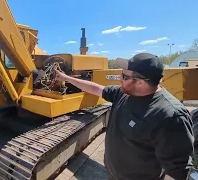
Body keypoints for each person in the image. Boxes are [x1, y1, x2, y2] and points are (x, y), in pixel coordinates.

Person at [54, 53, 195, 180]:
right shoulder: (123, 93)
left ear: (141, 82)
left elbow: (177, 172)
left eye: (125, 76)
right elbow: (95, 88)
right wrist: (65, 78)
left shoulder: (170, 116)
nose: (119, 79)